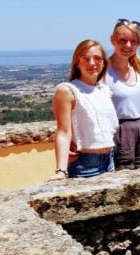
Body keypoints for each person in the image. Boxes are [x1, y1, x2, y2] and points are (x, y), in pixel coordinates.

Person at [50, 40, 118, 180]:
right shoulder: (67, 91)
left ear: (104, 62)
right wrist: (61, 171)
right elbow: (63, 131)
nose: (92, 63)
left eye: (97, 58)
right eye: (86, 58)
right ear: (77, 62)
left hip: (109, 161)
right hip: (85, 164)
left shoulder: (104, 90)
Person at [107, 18, 140, 170]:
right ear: (112, 40)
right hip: (117, 132)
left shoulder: (139, 70)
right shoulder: (102, 71)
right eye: (122, 40)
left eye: (133, 41)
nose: (128, 45)